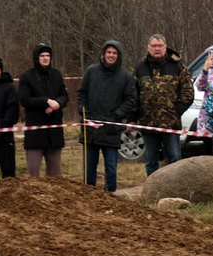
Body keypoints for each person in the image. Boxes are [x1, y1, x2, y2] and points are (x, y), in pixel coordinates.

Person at [79, 39, 136, 192]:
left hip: (111, 128)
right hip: (91, 128)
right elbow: (82, 93)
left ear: (118, 55)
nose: (111, 55)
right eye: (108, 52)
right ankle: (88, 195)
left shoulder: (125, 77)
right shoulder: (92, 71)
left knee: (111, 168)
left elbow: (130, 100)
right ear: (103, 54)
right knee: (89, 168)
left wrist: (117, 115)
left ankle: (110, 195)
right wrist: (83, 110)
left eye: (114, 53)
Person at [132, 36, 185, 176]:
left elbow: (187, 91)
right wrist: (133, 117)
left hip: (170, 124)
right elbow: (133, 94)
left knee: (175, 160)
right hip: (148, 123)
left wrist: (176, 110)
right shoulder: (140, 68)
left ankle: (176, 191)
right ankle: (152, 193)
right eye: (154, 46)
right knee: (151, 162)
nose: (157, 49)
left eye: (160, 46)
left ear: (165, 47)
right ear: (148, 48)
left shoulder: (177, 66)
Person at [18, 44, 69, 178]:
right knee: (33, 174)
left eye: (48, 55)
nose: (46, 58)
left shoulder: (56, 75)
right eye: (42, 56)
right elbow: (24, 100)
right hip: (35, 131)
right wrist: (45, 101)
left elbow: (64, 95)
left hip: (54, 130)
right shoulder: (27, 77)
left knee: (55, 176)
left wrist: (58, 104)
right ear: (36, 58)